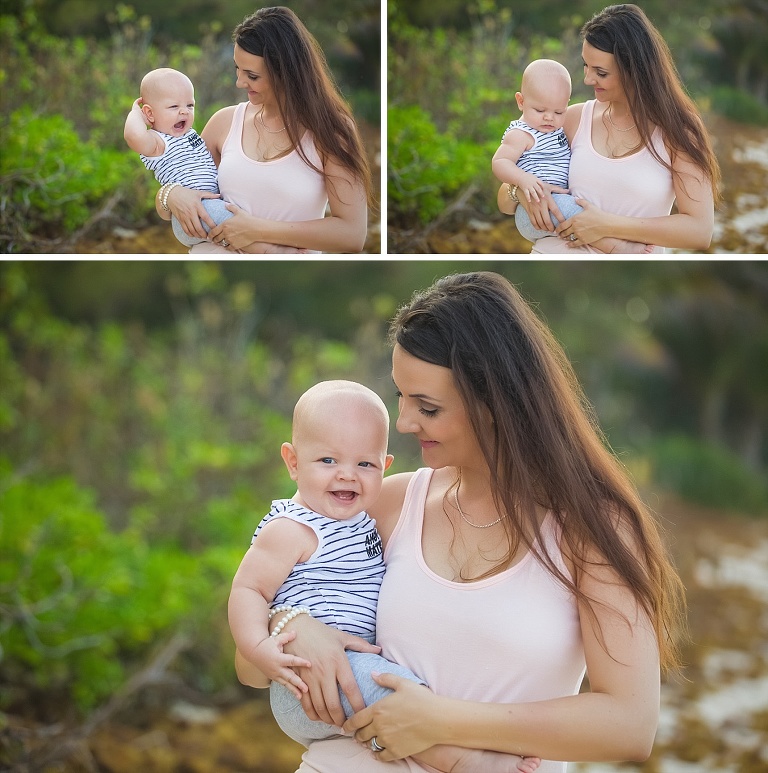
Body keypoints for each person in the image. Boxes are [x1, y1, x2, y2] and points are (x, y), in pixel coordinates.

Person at [235, 272, 687, 773]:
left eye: (427, 407)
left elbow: (630, 724)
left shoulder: (595, 529)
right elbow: (252, 671)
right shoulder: (386, 503)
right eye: (402, 398)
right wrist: (291, 625)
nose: (404, 423)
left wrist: (444, 723)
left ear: (494, 401)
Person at [229, 380, 540, 773]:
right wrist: (262, 646)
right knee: (402, 696)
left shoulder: (363, 523)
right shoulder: (291, 529)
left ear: (385, 466)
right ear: (292, 461)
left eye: (364, 464)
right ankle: (462, 759)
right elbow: (248, 589)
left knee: (395, 695)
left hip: (345, 683)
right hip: (311, 683)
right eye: (327, 461)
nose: (346, 475)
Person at [497, 3, 720, 254]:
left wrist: (607, 226)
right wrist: (521, 192)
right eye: (586, 66)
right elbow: (504, 200)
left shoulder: (680, 130)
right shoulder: (571, 118)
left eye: (601, 72)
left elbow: (700, 231)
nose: (588, 79)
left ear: (634, 70)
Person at [159, 6, 371, 254]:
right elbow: (175, 197)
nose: (240, 82)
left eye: (252, 75)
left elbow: (352, 235)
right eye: (237, 69)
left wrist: (257, 230)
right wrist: (170, 195)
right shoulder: (224, 122)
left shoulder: (331, 131)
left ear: (287, 71)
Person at [492, 59, 651, 254]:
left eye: (558, 111)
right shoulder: (521, 133)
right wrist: (522, 182)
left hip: (552, 212)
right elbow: (500, 162)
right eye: (540, 110)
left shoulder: (557, 129)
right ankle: (615, 246)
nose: (549, 118)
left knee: (574, 210)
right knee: (577, 211)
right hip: (533, 211)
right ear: (521, 102)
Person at [123, 68, 237, 249]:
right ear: (150, 114)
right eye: (174, 107)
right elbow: (134, 136)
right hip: (190, 215)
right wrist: (136, 113)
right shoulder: (158, 142)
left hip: (209, 207)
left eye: (189, 105)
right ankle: (265, 249)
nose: (184, 112)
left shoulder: (189, 135)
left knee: (236, 216)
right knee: (236, 222)